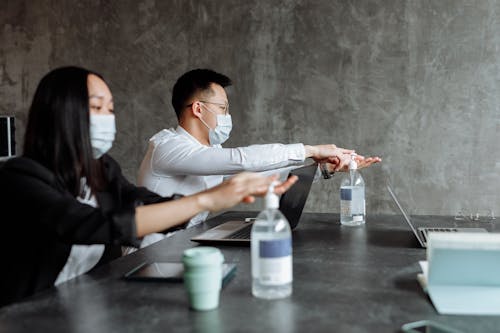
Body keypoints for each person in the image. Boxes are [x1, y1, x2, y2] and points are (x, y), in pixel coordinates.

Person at [0, 66, 296, 307]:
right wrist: (206, 200)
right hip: (30, 315)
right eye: (97, 107)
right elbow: (91, 225)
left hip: (87, 305)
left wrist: (219, 196)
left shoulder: (100, 169)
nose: (108, 118)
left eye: (111, 109)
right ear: (62, 112)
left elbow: (141, 201)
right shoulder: (20, 179)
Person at [138, 69, 381, 226]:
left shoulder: (208, 152)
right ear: (199, 109)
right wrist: (309, 149)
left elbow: (252, 177)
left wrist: (323, 169)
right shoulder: (166, 147)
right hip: (151, 257)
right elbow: (242, 160)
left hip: (185, 246)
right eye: (222, 108)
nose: (227, 116)